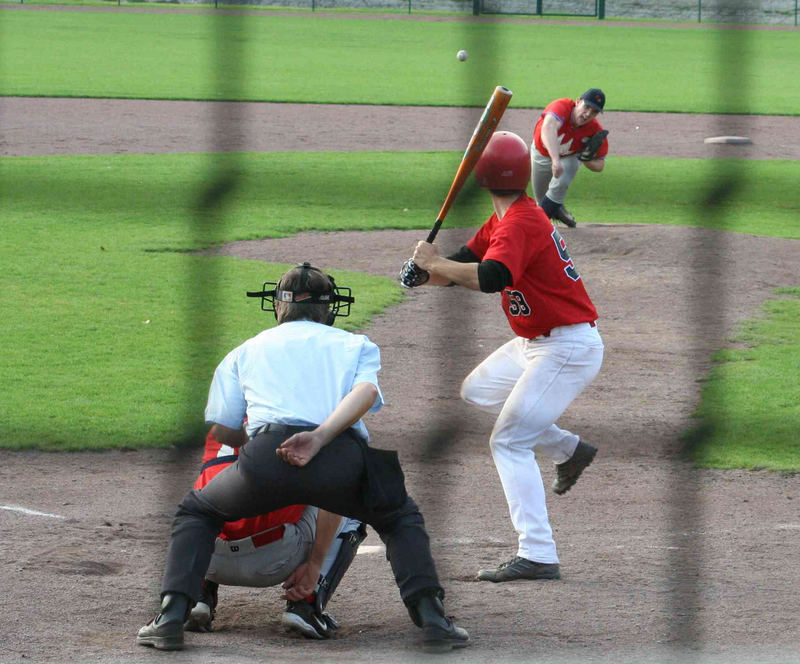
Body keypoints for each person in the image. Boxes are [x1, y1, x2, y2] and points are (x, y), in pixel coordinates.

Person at [137, 262, 469, 653]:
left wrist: (261, 443)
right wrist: (319, 437)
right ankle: (431, 619)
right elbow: (365, 394)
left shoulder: (245, 350)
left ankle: (172, 616)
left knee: (198, 511)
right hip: (339, 455)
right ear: (329, 309)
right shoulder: (355, 344)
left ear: (278, 306)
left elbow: (225, 432)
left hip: (266, 457)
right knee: (398, 517)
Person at [401, 132, 604, 583]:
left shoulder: (519, 224)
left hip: (566, 349)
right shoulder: (506, 218)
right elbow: (461, 266)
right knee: (478, 389)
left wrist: (434, 264)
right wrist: (422, 275)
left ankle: (538, 553)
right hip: (538, 343)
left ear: (482, 178)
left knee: (508, 441)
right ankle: (570, 449)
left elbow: (492, 277)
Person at [185, 426, 366, 640]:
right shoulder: (300, 428)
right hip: (275, 558)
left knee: (205, 498)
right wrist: (314, 564)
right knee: (350, 499)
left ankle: (197, 594)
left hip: (208, 559)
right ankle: (306, 604)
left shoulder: (222, 426)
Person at [531, 87, 609, 228]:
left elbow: (600, 165)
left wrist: (587, 159)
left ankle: (535, 228)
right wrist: (555, 160)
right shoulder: (562, 106)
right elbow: (548, 127)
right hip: (541, 154)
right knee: (542, 200)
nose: (587, 114)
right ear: (578, 101)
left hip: (570, 157)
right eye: (587, 107)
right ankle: (557, 208)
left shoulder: (594, 129)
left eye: (594, 112)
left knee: (561, 181)